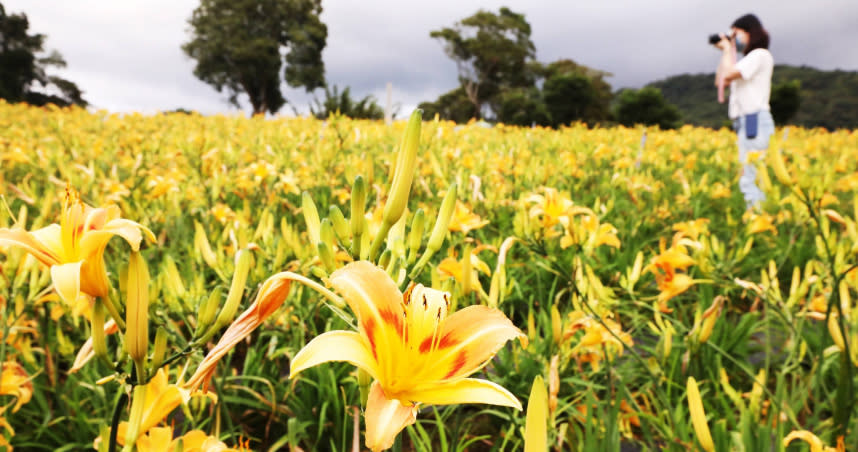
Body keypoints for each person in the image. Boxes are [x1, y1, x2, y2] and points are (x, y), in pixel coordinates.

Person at [714, 13, 774, 211]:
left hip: (753, 122)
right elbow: (720, 81)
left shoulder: (759, 55)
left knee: (751, 177)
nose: (733, 39)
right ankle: (758, 216)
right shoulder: (746, 60)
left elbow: (728, 74)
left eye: (735, 34)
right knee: (750, 175)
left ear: (750, 32)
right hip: (747, 123)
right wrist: (726, 52)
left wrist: (725, 51)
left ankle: (759, 221)